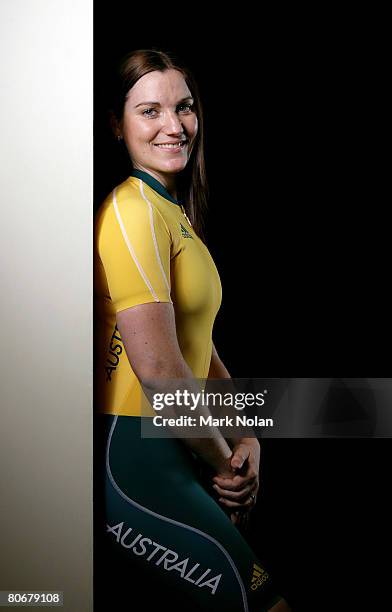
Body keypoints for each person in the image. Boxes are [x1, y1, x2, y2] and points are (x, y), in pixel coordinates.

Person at [94, 48, 291, 611]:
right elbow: (158, 370)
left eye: (184, 108)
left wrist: (247, 435)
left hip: (177, 445)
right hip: (136, 459)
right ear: (116, 124)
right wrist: (223, 459)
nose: (174, 126)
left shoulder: (170, 213)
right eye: (150, 111)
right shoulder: (131, 212)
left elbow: (198, 350)